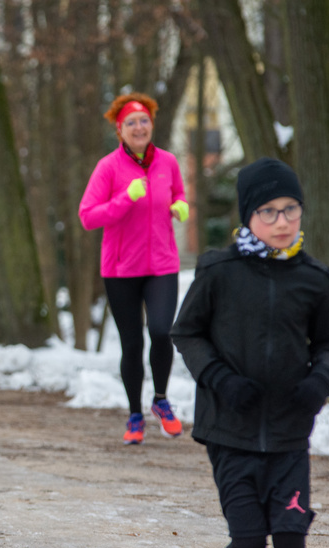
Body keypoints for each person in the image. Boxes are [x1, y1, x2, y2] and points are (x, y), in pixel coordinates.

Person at [171, 157, 329, 548]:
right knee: (249, 544)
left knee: (290, 541)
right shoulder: (219, 270)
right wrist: (221, 380)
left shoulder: (316, 278)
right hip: (230, 432)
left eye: (291, 208)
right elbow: (186, 332)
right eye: (268, 211)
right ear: (249, 216)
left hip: (289, 435)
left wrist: (320, 381)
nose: (282, 221)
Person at [78, 93, 189, 445]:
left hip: (162, 265)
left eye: (144, 121)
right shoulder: (108, 167)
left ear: (151, 125)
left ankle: (160, 400)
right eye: (131, 123)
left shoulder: (168, 162)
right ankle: (135, 414)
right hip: (121, 269)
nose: (139, 127)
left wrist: (181, 206)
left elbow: (179, 194)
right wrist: (126, 197)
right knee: (131, 343)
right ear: (120, 130)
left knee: (161, 331)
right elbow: (88, 216)